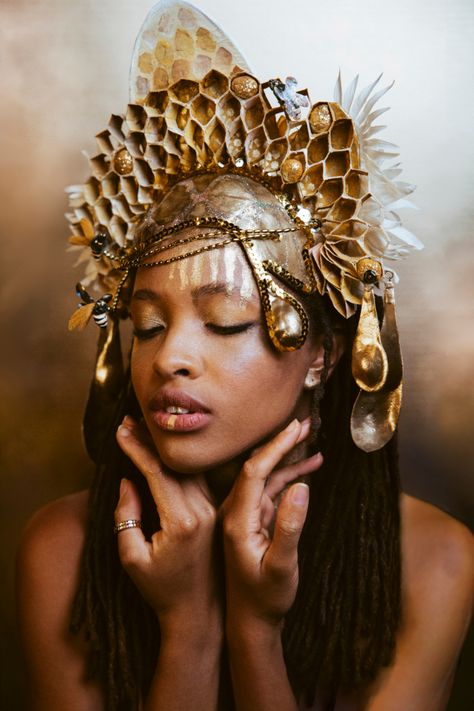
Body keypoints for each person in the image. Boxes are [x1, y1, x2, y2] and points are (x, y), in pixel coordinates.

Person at [16, 2, 473, 710]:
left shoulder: (434, 562)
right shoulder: (60, 551)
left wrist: (255, 628)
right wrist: (190, 626)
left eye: (225, 323)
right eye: (147, 324)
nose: (171, 358)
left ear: (320, 354)